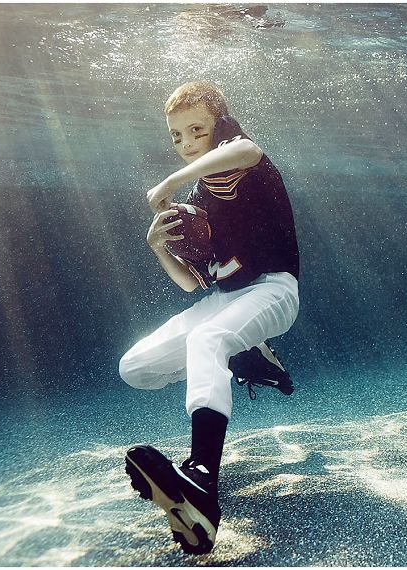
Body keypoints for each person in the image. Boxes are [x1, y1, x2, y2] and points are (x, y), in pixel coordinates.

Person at [118, 81, 300, 555]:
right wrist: (158, 248)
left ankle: (201, 479)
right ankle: (248, 357)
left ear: (219, 125)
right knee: (134, 368)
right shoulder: (200, 197)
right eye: (176, 136)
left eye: (195, 129)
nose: (185, 143)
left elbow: (246, 148)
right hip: (225, 301)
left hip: (275, 290)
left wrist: (170, 181)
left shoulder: (245, 162)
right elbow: (191, 284)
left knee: (208, 342)